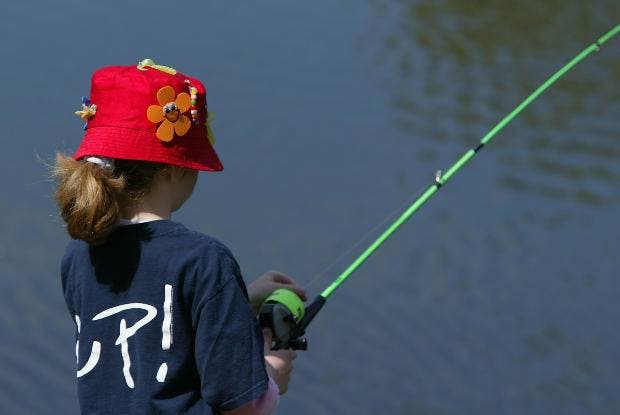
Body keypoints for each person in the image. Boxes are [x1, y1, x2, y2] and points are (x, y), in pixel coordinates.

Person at [53, 60, 306, 414]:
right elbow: (241, 406)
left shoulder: (80, 254)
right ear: (174, 168)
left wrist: (235, 300)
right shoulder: (204, 261)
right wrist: (272, 373)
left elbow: (139, 336)